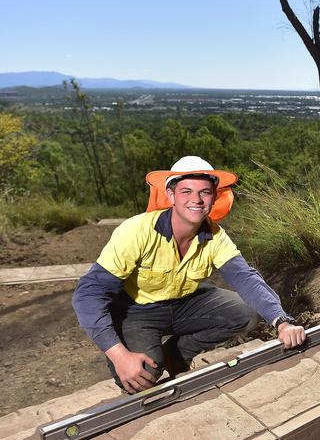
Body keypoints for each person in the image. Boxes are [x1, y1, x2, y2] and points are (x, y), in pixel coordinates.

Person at [73, 156, 306, 393]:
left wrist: (282, 321)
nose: (196, 199)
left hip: (186, 303)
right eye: (186, 191)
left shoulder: (215, 235)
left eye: (204, 192)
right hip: (135, 311)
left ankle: (175, 354)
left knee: (246, 313)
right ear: (171, 195)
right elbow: (88, 294)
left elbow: (245, 278)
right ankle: (132, 356)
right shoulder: (136, 231)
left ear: (214, 197)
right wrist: (118, 354)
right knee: (142, 376)